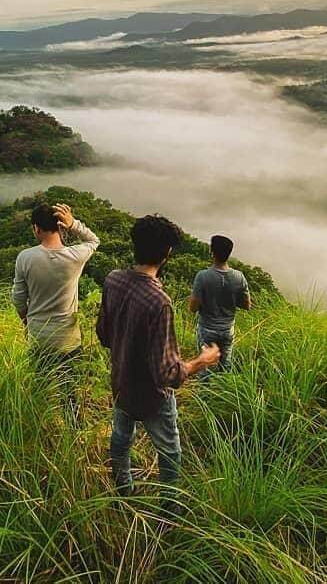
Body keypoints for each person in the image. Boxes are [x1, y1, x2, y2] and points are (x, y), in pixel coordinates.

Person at [96, 214, 221, 500]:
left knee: (121, 437)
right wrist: (203, 360)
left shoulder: (113, 280)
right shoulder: (159, 302)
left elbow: (103, 334)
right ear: (167, 254)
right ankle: (168, 508)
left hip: (120, 381)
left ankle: (123, 490)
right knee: (170, 452)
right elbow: (167, 374)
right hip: (152, 396)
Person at [11, 202, 100, 417]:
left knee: (40, 390)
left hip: (39, 336)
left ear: (36, 228)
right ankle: (73, 430)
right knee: (69, 394)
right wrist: (73, 224)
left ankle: (39, 427)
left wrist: (27, 321)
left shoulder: (25, 257)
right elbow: (94, 240)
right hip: (68, 339)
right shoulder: (75, 256)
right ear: (61, 227)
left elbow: (18, 298)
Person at [188, 234, 251, 375]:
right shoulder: (239, 277)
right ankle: (223, 394)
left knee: (204, 369)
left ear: (212, 252)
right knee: (226, 366)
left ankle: (205, 395)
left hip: (207, 329)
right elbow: (247, 305)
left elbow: (193, 308)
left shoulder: (202, 276)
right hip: (228, 329)